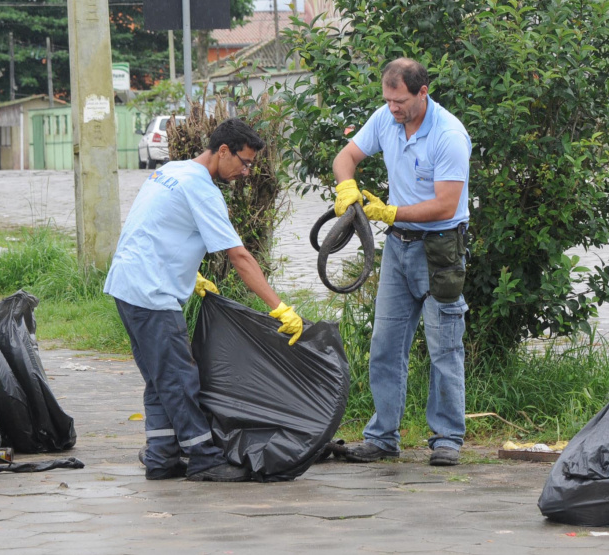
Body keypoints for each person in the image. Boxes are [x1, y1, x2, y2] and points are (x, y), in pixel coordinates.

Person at [104, 118, 304, 482]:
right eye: (243, 163)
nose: (246, 172)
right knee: (179, 378)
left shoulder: (173, 170)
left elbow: (154, 225)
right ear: (222, 151)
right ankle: (204, 457)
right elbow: (239, 257)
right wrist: (279, 307)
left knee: (160, 378)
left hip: (128, 284)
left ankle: (162, 457)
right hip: (152, 293)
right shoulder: (202, 189)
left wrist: (190, 273)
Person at [333, 58, 472, 467]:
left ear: (422, 93)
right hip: (397, 248)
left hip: (440, 249)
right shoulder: (385, 119)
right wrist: (347, 187)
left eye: (400, 101)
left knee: (444, 345)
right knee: (385, 344)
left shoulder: (448, 135)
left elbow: (447, 204)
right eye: (388, 100)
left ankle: (447, 437)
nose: (393, 108)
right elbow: (346, 158)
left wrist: (392, 212)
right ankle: (382, 437)